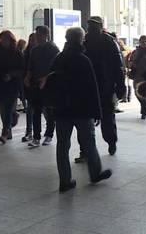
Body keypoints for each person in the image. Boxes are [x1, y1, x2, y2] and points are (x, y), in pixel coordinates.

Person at [50, 27, 113, 192]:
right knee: (88, 142)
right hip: (82, 110)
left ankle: (65, 180)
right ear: (81, 40)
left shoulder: (58, 59)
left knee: (62, 145)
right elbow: (92, 89)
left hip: (62, 109)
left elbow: (53, 84)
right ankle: (95, 172)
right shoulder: (83, 60)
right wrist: (97, 112)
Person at [84, 16, 126, 156]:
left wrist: (120, 86)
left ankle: (111, 141)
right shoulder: (86, 40)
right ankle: (85, 149)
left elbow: (118, 66)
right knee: (86, 120)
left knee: (107, 117)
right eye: (90, 25)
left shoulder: (108, 42)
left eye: (93, 25)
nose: (91, 28)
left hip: (104, 86)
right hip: (91, 86)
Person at [25, 25, 60, 148]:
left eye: (39, 34)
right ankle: (36, 137)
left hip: (48, 84)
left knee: (49, 110)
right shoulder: (34, 49)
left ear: (46, 35)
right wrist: (28, 77)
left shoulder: (53, 49)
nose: (37, 37)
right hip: (36, 83)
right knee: (36, 110)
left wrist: (46, 78)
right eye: (36, 34)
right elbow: (31, 66)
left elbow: (56, 67)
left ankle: (49, 134)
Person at [0, 30, 24, 143]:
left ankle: (5, 131)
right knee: (3, 109)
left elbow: (21, 70)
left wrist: (11, 75)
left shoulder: (17, 53)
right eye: (2, 39)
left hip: (12, 84)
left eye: (5, 39)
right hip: (0, 83)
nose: (3, 42)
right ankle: (9, 124)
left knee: (9, 107)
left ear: (10, 40)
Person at [128, 35, 146, 119]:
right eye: (143, 42)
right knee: (137, 93)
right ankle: (144, 106)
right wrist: (132, 65)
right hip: (137, 76)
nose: (145, 43)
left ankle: (144, 109)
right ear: (140, 42)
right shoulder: (135, 52)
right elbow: (130, 61)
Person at [22, 33, 37, 142]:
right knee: (30, 108)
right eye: (31, 40)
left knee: (42, 109)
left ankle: (48, 128)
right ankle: (29, 131)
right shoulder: (26, 53)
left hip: (38, 83)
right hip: (29, 84)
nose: (32, 42)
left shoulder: (39, 53)